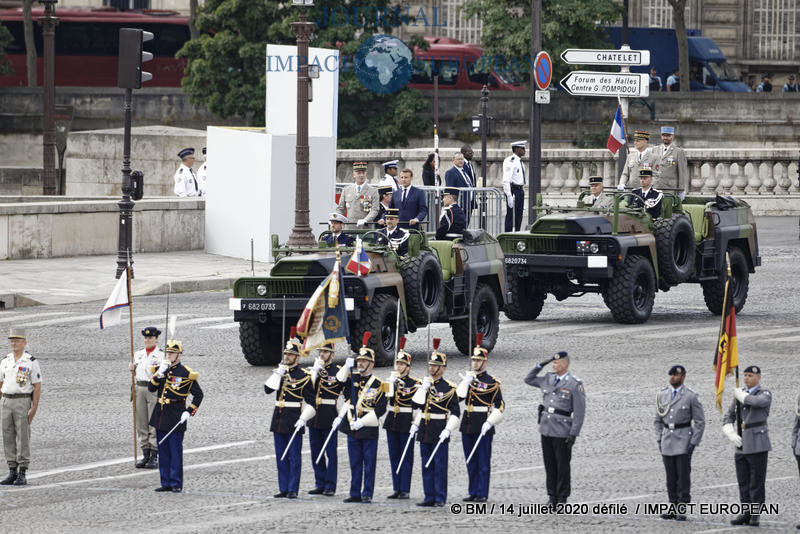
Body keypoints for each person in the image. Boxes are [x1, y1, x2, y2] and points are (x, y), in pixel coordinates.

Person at [524, 351, 586, 507]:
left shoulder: (574, 383)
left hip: (562, 429)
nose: (554, 364)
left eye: (557, 363)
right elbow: (528, 379)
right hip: (546, 427)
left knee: (562, 465)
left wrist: (573, 433)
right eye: (553, 363)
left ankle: (562, 498)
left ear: (565, 364)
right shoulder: (548, 378)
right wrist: (540, 365)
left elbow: (579, 411)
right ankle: (552, 496)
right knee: (549, 464)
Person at [336, 332, 388, 504]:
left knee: (369, 463)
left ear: (371, 364)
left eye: (364, 361)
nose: (360, 363)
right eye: (359, 361)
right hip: (352, 425)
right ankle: (354, 492)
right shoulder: (352, 377)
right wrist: (346, 365)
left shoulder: (379, 384)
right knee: (355, 462)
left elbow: (381, 409)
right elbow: (338, 382)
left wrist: (363, 422)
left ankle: (367, 493)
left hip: (368, 426)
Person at [263, 329, 315, 499]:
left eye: (291, 355)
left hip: (294, 418)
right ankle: (283, 487)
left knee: (294, 457)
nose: (287, 357)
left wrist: (303, 418)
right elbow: (267, 390)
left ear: (297, 357)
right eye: (286, 354)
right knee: (280, 456)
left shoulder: (304, 376)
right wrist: (278, 373)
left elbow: (312, 401)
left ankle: (293, 488)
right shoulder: (280, 373)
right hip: (278, 418)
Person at [411, 338, 461, 507]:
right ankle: (429, 496)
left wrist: (448, 429)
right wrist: (423, 388)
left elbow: (456, 412)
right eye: (430, 365)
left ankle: (440, 497)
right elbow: (415, 405)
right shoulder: (425, 385)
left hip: (440, 429)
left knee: (440, 467)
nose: (431, 368)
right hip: (425, 428)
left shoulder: (449, 388)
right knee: (426, 464)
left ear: (442, 368)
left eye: (435, 366)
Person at [148, 339, 203, 493]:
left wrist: (189, 411)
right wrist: (159, 374)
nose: (169, 355)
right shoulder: (161, 369)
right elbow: (151, 388)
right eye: (168, 352)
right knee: (163, 450)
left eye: (172, 353)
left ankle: (176, 482)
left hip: (176, 416)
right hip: (161, 414)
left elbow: (199, 395)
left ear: (179, 355)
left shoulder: (186, 373)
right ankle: (165, 481)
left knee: (175, 451)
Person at [457, 334, 505, 503]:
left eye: (478, 361)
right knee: (470, 460)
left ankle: (482, 492)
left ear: (485, 362)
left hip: (483, 422)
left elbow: (500, 405)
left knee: (483, 462)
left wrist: (490, 421)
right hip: (468, 423)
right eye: (473, 360)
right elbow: (457, 399)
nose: (475, 363)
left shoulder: (492, 383)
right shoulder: (468, 379)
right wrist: (465, 383)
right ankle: (473, 491)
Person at [655, 365, 705, 521]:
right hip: (667, 440)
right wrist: (659, 438)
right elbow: (657, 420)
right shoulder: (663, 394)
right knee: (671, 477)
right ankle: (673, 505)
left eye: (676, 376)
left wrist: (693, 442)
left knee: (683, 476)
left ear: (683, 377)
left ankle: (682, 507)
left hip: (683, 439)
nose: (672, 378)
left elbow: (700, 421)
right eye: (671, 375)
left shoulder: (690, 396)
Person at [723, 365, 772, 527]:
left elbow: (757, 403)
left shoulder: (764, 394)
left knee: (756, 481)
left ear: (758, 378)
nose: (746, 378)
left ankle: (756, 515)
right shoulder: (740, 394)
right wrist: (729, 431)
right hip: (741, 442)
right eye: (745, 375)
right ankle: (746, 512)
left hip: (757, 442)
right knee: (743, 481)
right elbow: (729, 415)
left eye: (750, 375)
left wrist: (741, 395)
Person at [0, 328, 42, 486]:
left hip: (22, 400)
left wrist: (34, 408)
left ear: (24, 343)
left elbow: (37, 386)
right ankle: (12, 469)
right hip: (6, 401)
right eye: (12, 340)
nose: (14, 343)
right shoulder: (6, 360)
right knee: (8, 436)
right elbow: (0, 381)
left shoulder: (30, 361)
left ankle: (23, 470)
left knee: (23, 436)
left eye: (17, 341)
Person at [383, 336, 420, 500]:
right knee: (394, 455)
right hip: (392, 420)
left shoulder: (415, 383)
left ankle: (405, 488)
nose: (399, 366)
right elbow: (383, 399)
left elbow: (419, 404)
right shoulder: (391, 381)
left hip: (406, 421)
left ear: (408, 367)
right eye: (397, 363)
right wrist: (390, 384)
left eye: (402, 364)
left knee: (406, 456)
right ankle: (396, 487)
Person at [306, 341, 344, 496]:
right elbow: (308, 390)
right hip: (314, 415)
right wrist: (314, 371)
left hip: (329, 414)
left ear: (332, 355)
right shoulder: (313, 371)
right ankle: (319, 482)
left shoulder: (337, 371)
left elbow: (345, 389)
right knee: (316, 451)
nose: (322, 354)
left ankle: (330, 485)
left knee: (330, 452)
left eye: (325, 352)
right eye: (321, 351)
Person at [130, 326, 164, 469]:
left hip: (153, 389)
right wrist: (131, 368)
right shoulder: (138, 354)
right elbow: (136, 372)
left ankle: (154, 455)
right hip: (139, 388)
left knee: (153, 422)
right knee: (141, 422)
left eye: (151, 338)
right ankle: (145, 453)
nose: (148, 340)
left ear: (156, 339)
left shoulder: (162, 356)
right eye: (146, 338)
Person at [336, 161, 380, 226]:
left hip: (365, 228)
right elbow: (341, 209)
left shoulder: (373, 191)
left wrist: (365, 220)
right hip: (350, 228)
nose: (361, 175)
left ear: (366, 174)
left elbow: (375, 210)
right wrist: (335, 219)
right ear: (354, 174)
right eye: (358, 173)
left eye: (363, 173)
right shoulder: (346, 190)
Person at [654, 126, 689, 199]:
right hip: (656, 187)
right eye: (663, 135)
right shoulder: (655, 150)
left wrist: (681, 190)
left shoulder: (678, 152)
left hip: (670, 189)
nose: (665, 138)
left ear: (672, 137)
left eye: (668, 135)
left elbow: (682, 173)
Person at [502, 140, 527, 232]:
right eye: (523, 148)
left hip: (520, 190)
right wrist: (508, 195)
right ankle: (508, 234)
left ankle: (517, 232)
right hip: (513, 190)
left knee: (519, 215)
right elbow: (506, 180)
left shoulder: (519, 161)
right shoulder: (510, 161)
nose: (525, 150)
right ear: (516, 149)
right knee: (511, 216)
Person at [445, 151, 475, 227]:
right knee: (459, 226)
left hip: (469, 203)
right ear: (453, 160)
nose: (460, 161)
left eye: (462, 159)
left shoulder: (465, 171)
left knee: (465, 225)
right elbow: (450, 189)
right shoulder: (450, 172)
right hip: (460, 204)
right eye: (458, 159)